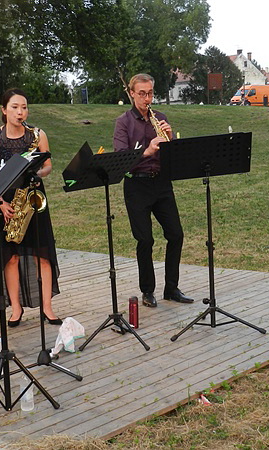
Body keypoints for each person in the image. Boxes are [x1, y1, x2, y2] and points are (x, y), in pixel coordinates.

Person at [0, 88, 62, 327]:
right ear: (4, 110)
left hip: (34, 199)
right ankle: (16, 308)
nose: (20, 112)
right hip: (7, 203)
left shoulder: (37, 135)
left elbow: (48, 166)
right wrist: (0, 203)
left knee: (43, 255)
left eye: (24, 107)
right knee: (11, 258)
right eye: (15, 107)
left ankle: (47, 307)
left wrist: (38, 172)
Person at [114, 73, 195, 308]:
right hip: (136, 185)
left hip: (161, 183)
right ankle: (147, 290)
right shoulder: (123, 122)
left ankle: (171, 288)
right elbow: (120, 158)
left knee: (176, 234)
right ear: (132, 94)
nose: (147, 98)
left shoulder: (160, 118)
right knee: (145, 240)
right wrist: (147, 151)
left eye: (150, 93)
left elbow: (172, 157)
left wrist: (169, 140)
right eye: (142, 94)